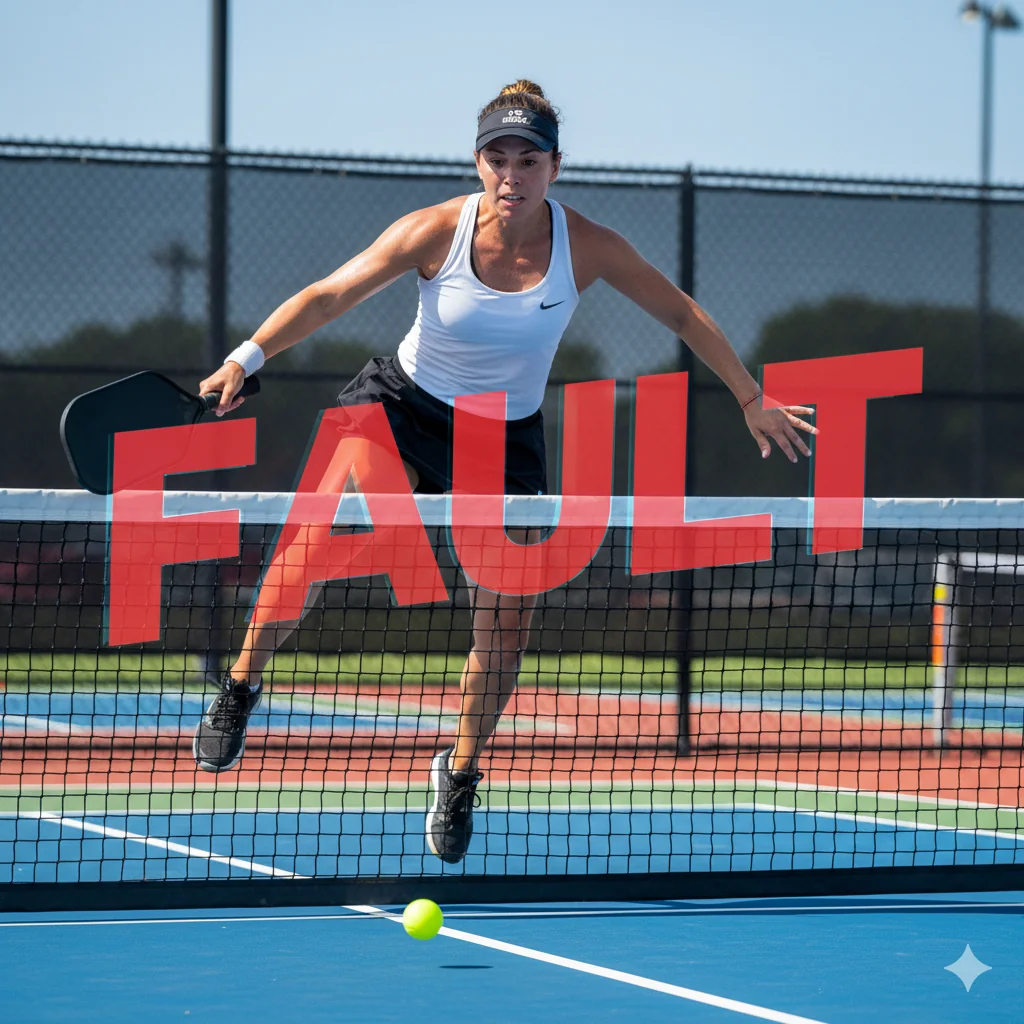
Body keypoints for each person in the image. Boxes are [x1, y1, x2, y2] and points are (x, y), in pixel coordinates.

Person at [191, 79, 816, 864]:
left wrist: (750, 395)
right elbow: (329, 295)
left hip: (504, 436)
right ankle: (242, 684)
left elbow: (682, 314)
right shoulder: (433, 231)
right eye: (497, 158)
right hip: (401, 407)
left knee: (508, 622)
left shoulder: (587, 245)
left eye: (528, 159)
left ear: (556, 166)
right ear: (478, 163)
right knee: (315, 545)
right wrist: (244, 358)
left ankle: (459, 771)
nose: (511, 174)